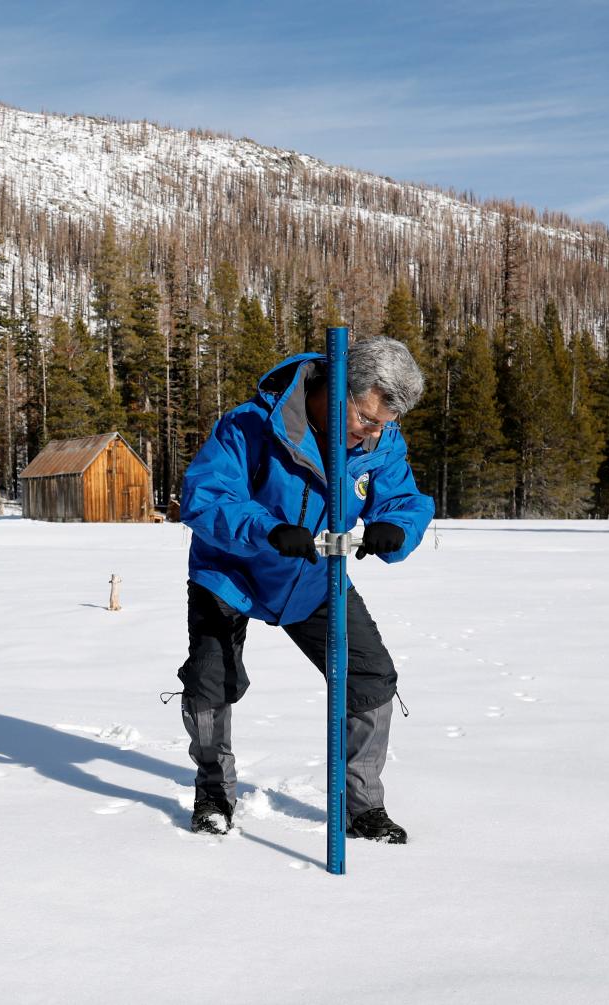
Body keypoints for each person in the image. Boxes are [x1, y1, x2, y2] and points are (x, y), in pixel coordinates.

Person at [176, 335, 433, 843]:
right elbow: (204, 496)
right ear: (337, 394)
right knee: (211, 681)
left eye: (385, 424)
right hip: (233, 573)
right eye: (366, 418)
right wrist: (265, 528)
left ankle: (362, 808)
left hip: (316, 578)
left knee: (371, 677)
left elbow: (405, 498)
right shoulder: (250, 424)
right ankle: (213, 793)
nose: (372, 434)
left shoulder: (381, 442)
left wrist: (396, 528)